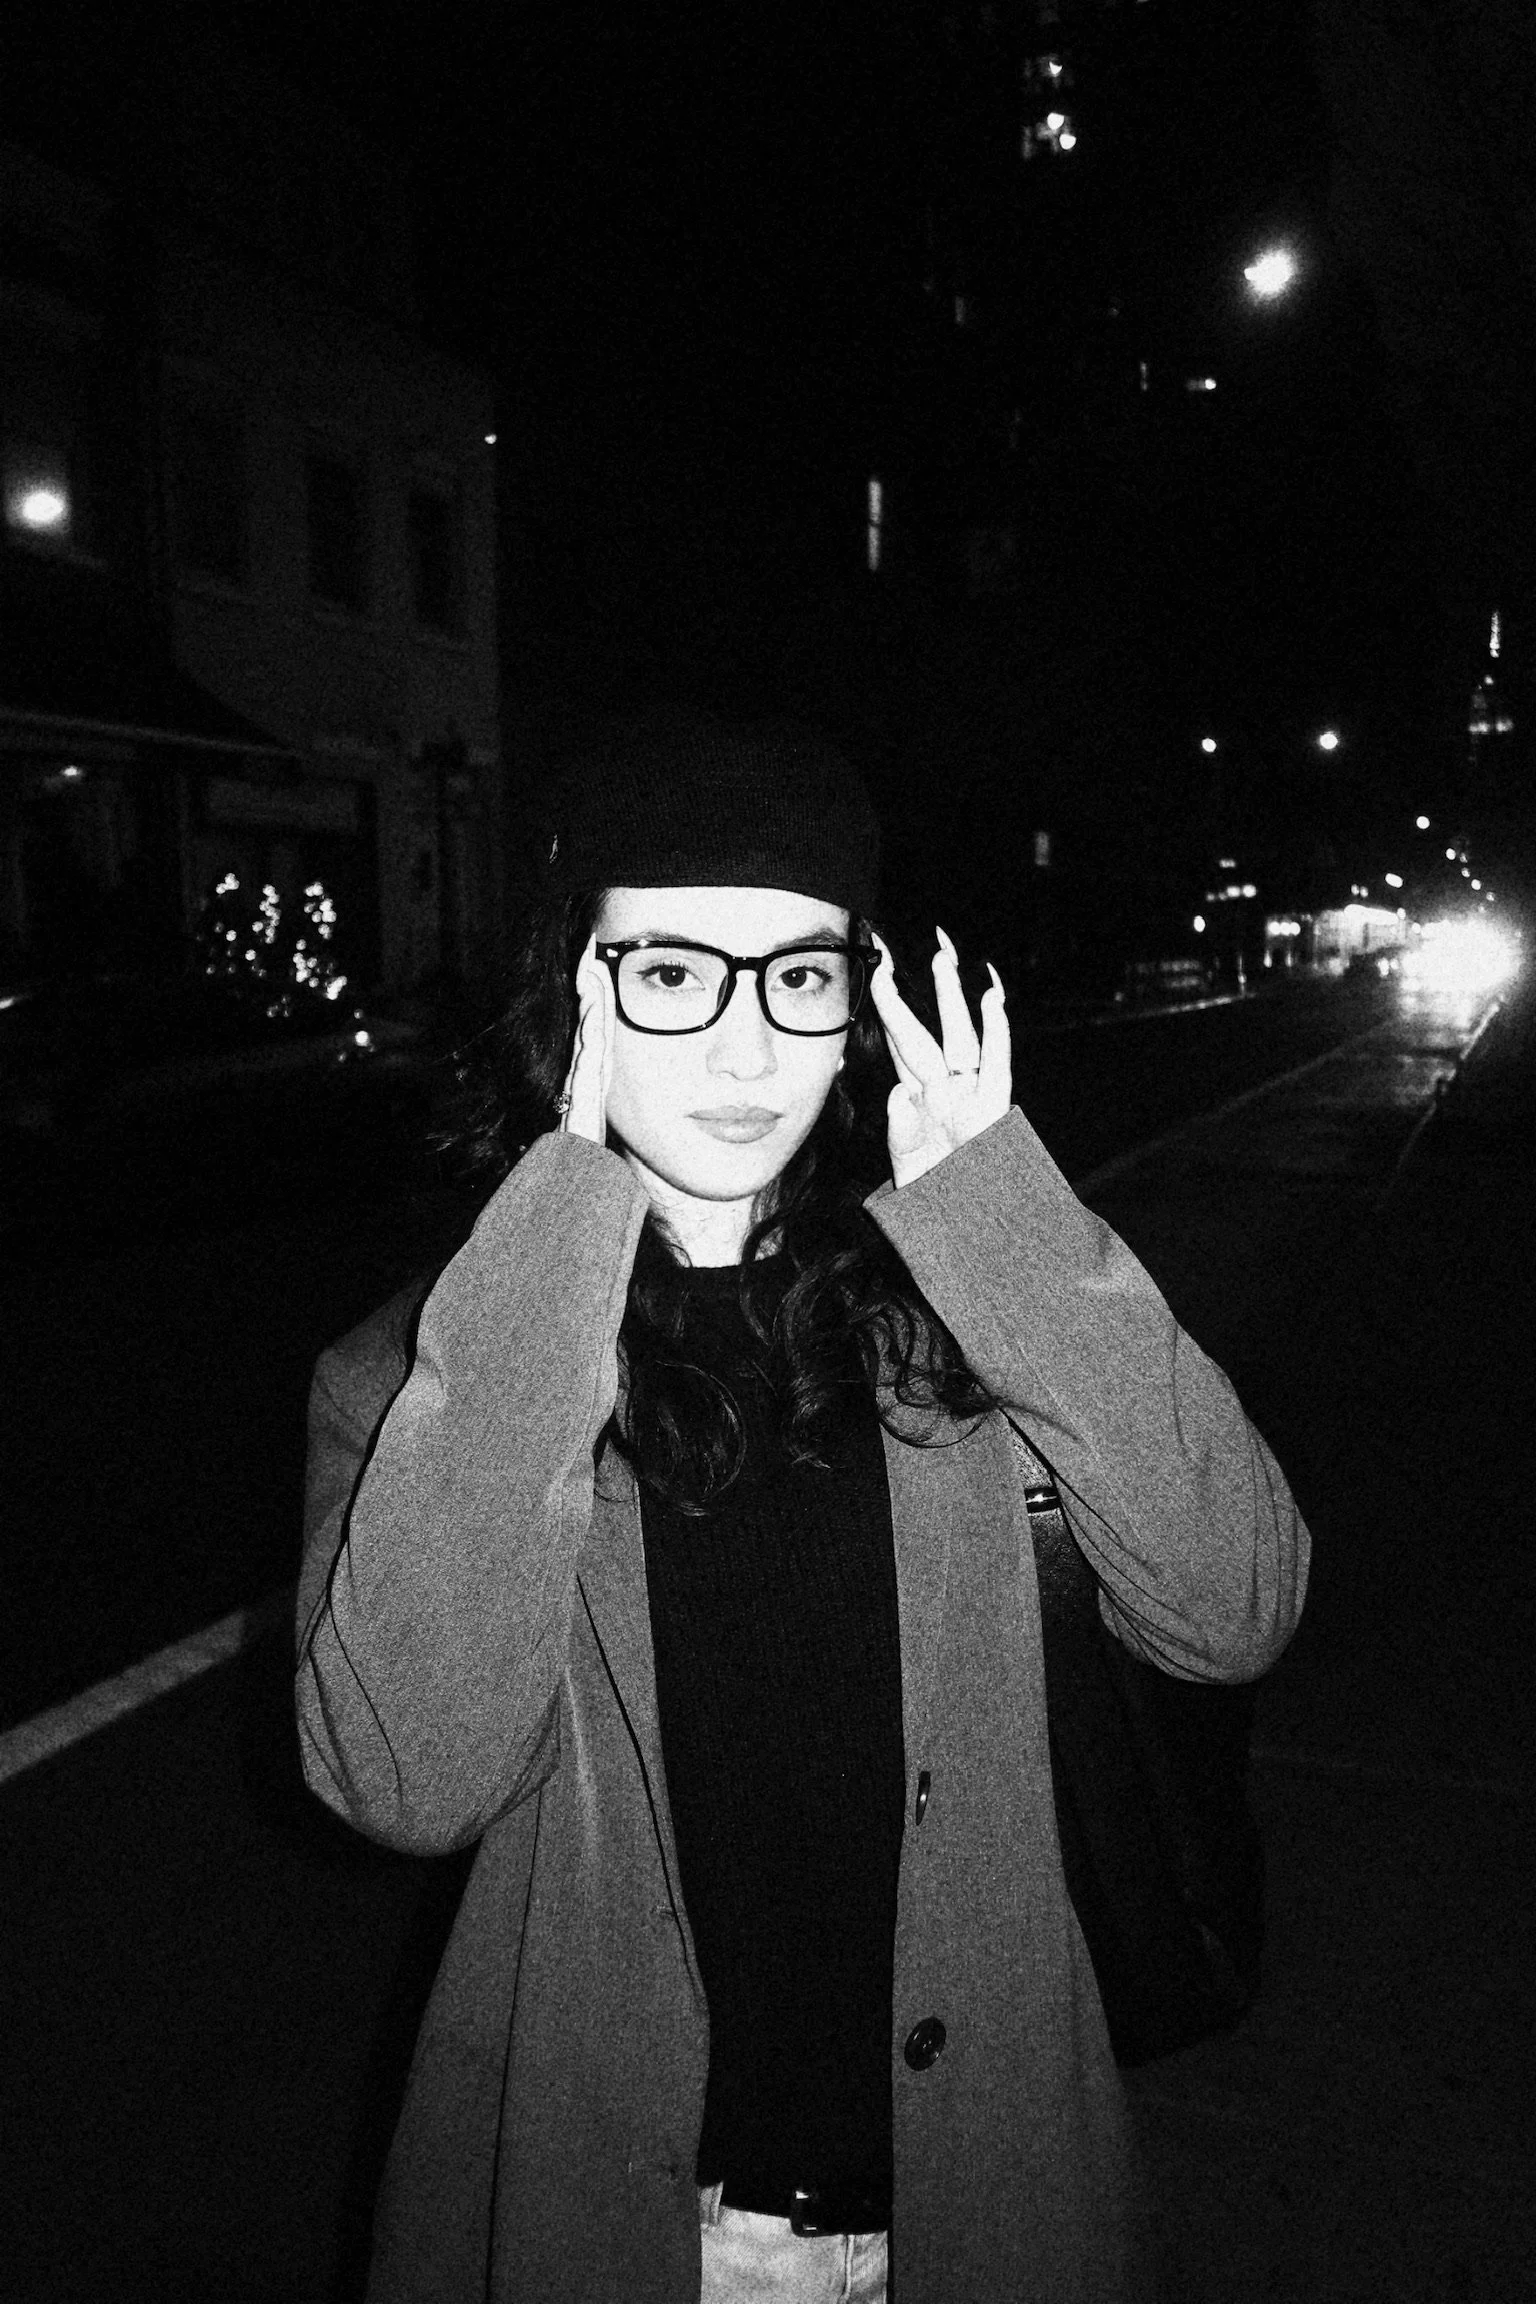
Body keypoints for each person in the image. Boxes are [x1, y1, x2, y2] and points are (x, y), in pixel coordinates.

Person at [294, 713, 1309, 2304]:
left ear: (856, 1011)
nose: (748, 1047)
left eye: (802, 974)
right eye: (675, 972)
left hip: (976, 2210)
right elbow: (404, 1781)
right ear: (580, 999)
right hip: (611, 2226)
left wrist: (1003, 1207)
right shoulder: (429, 1377)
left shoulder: (967, 1323)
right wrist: (562, 1218)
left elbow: (1236, 1602)